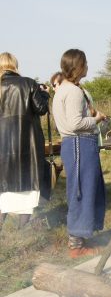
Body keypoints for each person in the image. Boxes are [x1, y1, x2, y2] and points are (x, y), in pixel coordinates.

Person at [52, 49, 107, 258]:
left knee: (82, 189)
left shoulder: (64, 89)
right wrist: (97, 119)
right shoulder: (73, 91)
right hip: (79, 144)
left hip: (74, 144)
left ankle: (80, 237)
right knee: (81, 191)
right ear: (78, 67)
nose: (88, 67)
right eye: (85, 63)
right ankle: (76, 246)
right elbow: (75, 124)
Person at [0, 52, 50, 231]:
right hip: (25, 145)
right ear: (15, 65)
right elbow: (41, 108)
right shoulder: (28, 83)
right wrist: (45, 94)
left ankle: (4, 233)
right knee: (27, 186)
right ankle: (22, 232)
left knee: (3, 189)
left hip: (2, 148)